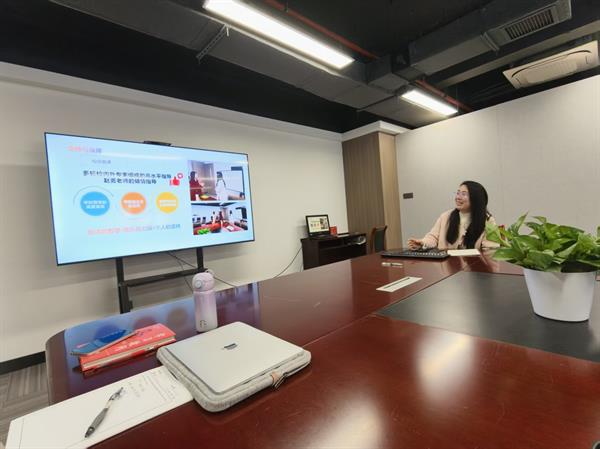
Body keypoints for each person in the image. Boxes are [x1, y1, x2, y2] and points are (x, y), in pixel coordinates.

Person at [407, 180, 499, 250]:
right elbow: (433, 237)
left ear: (476, 199)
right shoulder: (445, 216)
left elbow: (491, 249)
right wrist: (423, 243)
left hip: (475, 267)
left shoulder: (488, 221)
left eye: (463, 194)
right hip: (448, 266)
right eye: (458, 193)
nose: (458, 197)